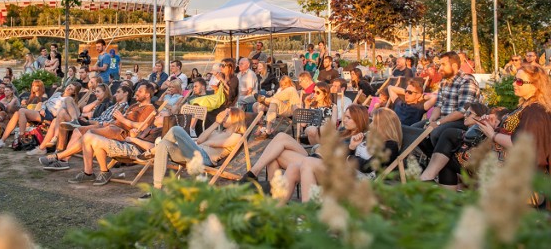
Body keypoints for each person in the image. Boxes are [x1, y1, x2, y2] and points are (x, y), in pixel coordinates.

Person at [287, 108, 401, 201]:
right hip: (343, 170)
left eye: (374, 122)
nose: (370, 125)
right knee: (293, 168)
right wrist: (352, 146)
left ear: (383, 125)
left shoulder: (390, 145)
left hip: (356, 180)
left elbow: (369, 166)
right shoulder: (369, 138)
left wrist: (349, 157)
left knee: (308, 162)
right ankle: (275, 210)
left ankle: (306, 214)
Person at [241, 104, 370, 184]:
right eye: (345, 116)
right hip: (314, 155)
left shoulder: (358, 138)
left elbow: (346, 159)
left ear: (358, 120)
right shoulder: (343, 130)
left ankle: (266, 185)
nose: (344, 120)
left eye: (348, 118)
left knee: (276, 155)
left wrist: (350, 146)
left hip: (321, 164)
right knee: (281, 137)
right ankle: (260, 178)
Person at [39, 83, 152, 170]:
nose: (136, 92)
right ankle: (65, 161)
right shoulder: (134, 106)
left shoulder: (150, 109)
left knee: (88, 135)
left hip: (119, 132)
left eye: (140, 91)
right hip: (110, 126)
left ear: (147, 94)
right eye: (137, 90)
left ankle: (59, 157)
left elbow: (142, 127)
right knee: (78, 130)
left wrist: (122, 120)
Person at [140, 107, 246, 198]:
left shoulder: (237, 136)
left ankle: (153, 151)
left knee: (176, 129)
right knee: (164, 144)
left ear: (236, 118)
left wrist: (204, 142)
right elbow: (200, 140)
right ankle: (157, 189)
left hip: (204, 158)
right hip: (194, 152)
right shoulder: (218, 131)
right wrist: (216, 123)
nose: (223, 117)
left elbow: (213, 143)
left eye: (227, 115)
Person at [476, 63, 551, 175]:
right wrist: (494, 125)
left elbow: (520, 142)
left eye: (519, 81)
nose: (514, 84)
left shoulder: (535, 110)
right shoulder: (528, 105)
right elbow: (517, 131)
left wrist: (492, 134)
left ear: (535, 85)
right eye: (515, 80)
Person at [414, 51, 481, 157]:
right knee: (414, 130)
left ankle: (441, 160)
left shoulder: (467, 81)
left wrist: (438, 123)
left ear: (454, 66)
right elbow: (438, 105)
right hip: (443, 119)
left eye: (443, 64)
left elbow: (462, 112)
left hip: (461, 121)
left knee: (435, 133)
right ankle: (431, 158)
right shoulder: (444, 82)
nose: (440, 68)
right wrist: (432, 120)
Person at [419, 102, 492, 188]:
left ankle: (427, 177)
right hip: (465, 166)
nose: (465, 115)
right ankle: (446, 196)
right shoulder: (465, 133)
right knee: (445, 158)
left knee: (448, 134)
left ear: (479, 117)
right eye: (465, 113)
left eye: (469, 113)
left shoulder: (481, 132)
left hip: (475, 165)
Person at [0, 82, 80, 149]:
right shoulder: (57, 94)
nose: (68, 88)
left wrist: (49, 110)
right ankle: (4, 140)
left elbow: (61, 113)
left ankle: (20, 138)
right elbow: (46, 102)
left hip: (50, 115)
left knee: (21, 111)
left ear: (74, 93)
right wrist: (42, 108)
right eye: (69, 86)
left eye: (71, 89)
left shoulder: (69, 100)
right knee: (17, 113)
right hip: (43, 111)